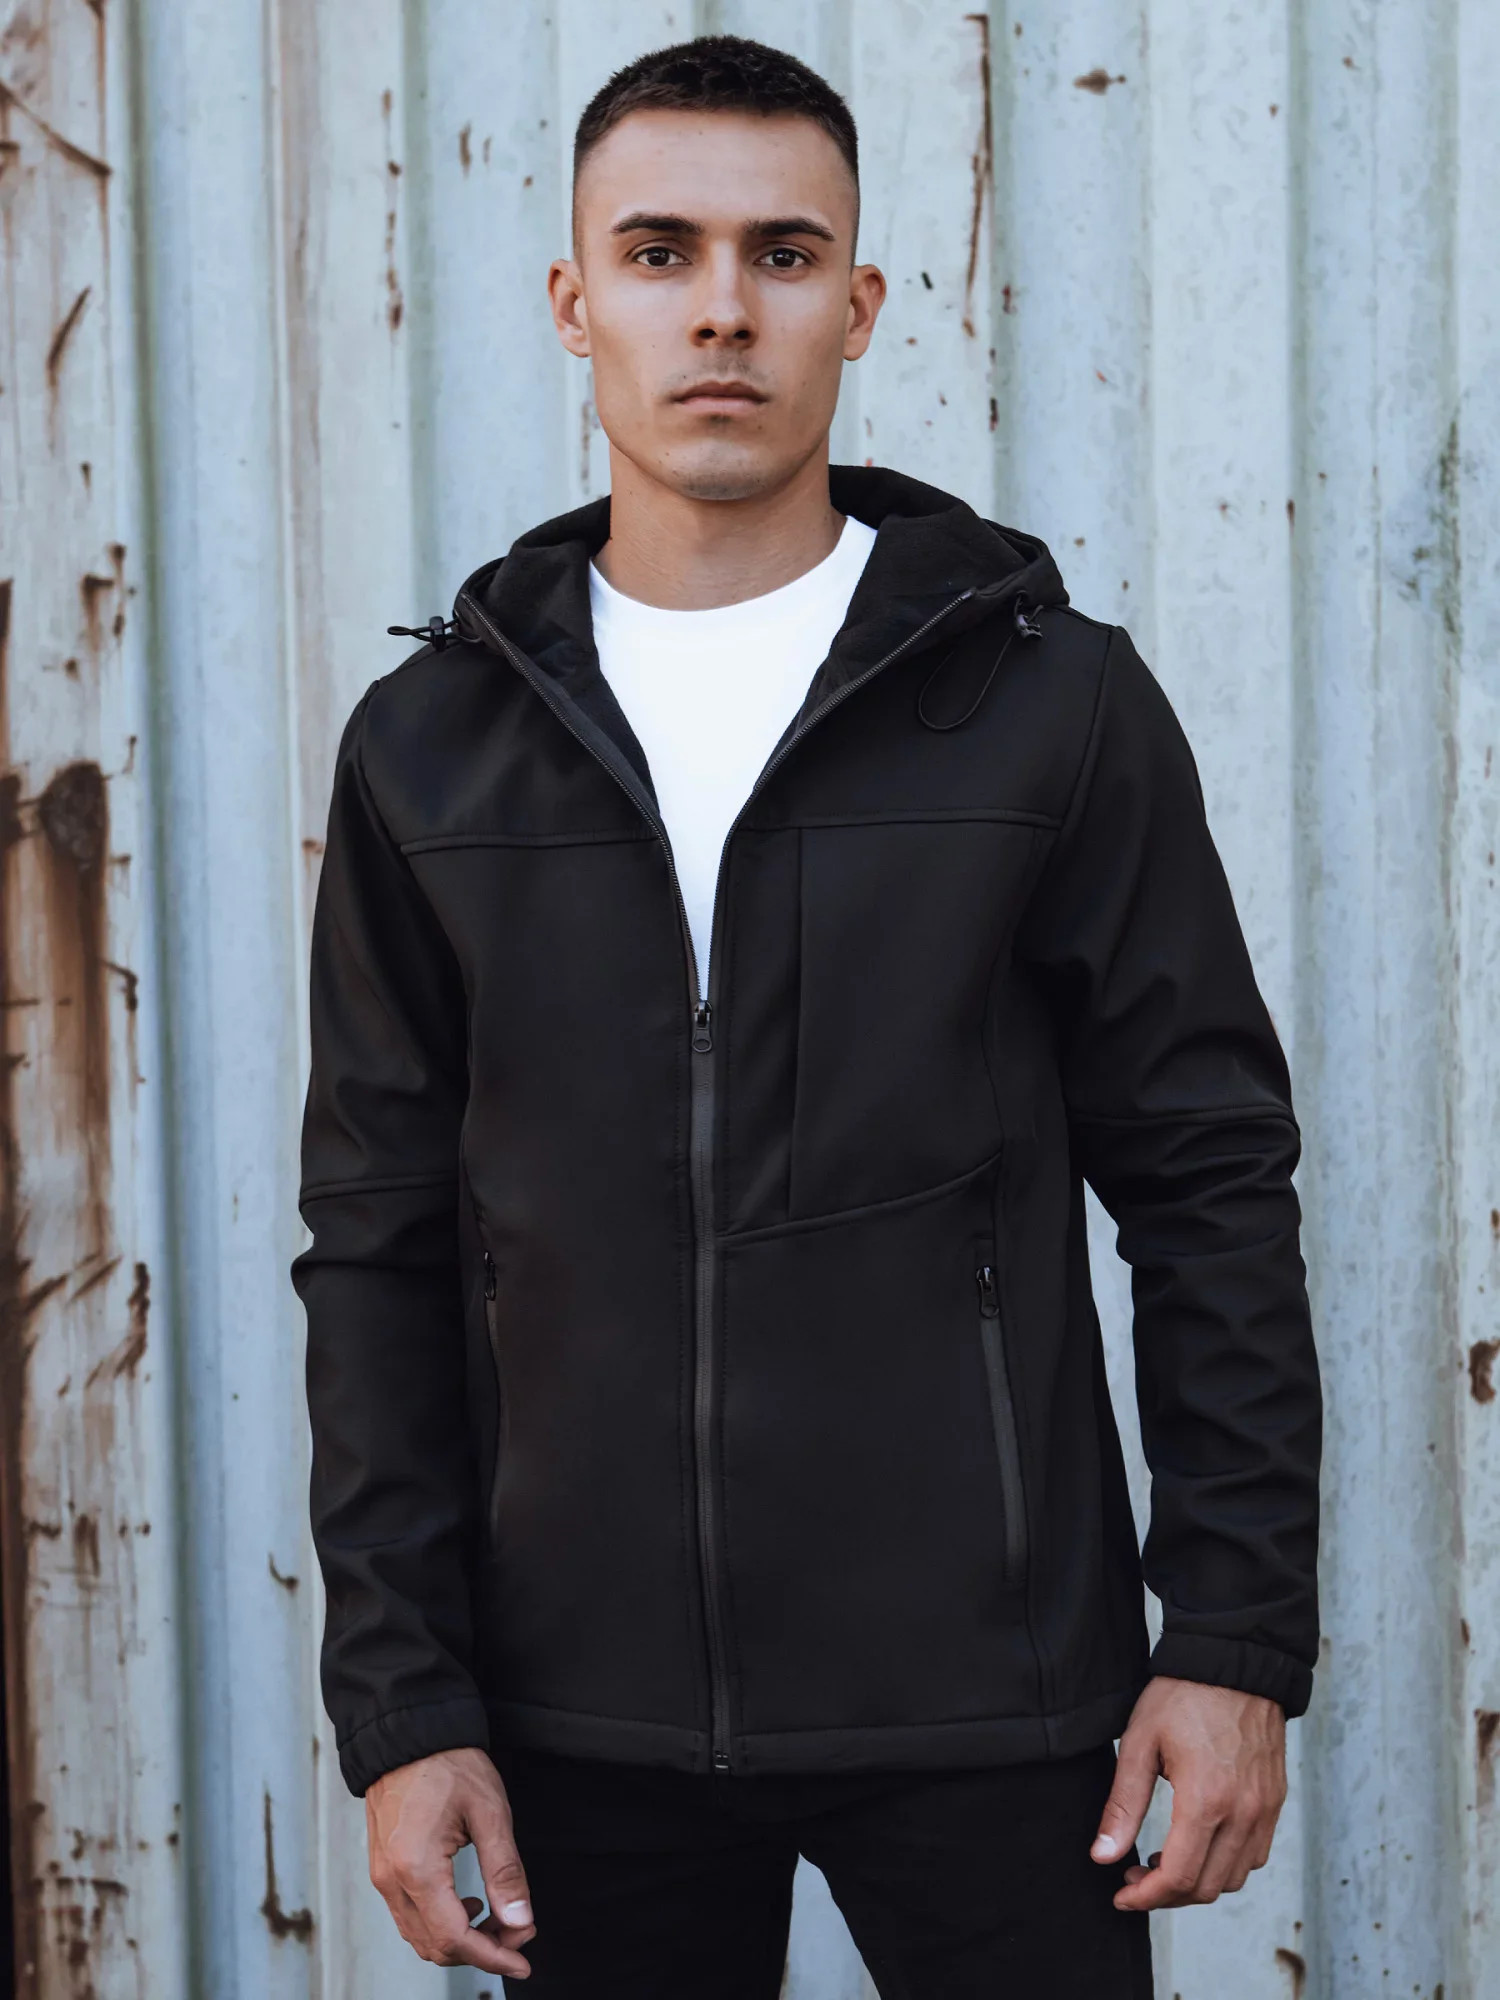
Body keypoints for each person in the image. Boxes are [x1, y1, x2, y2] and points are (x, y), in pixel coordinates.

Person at [293, 35, 1321, 1999]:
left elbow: (1210, 1186)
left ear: (861, 303)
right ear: (574, 300)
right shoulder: (433, 747)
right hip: (575, 1721)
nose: (722, 310)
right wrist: (405, 1705)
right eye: (659, 252)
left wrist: (1232, 1640)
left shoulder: (1047, 706)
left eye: (782, 254)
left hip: (1000, 1704)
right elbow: (378, 1244)